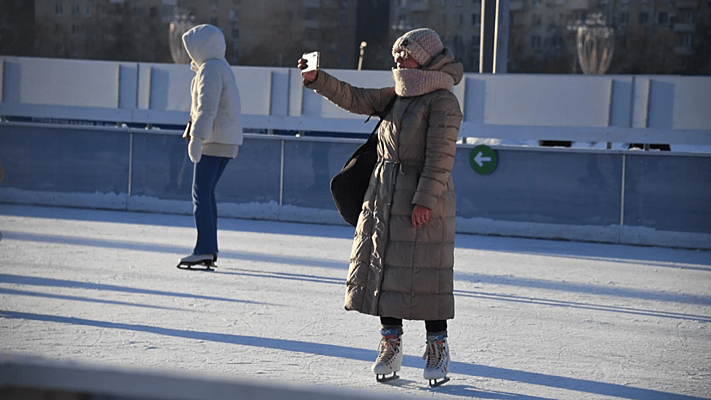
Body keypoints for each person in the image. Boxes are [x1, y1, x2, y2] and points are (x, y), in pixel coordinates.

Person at [298, 28, 463, 386]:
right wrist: (317, 79)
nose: (398, 59)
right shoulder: (399, 94)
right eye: (397, 54)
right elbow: (354, 97)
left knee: (426, 277)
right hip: (384, 195)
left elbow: (440, 158)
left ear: (426, 56)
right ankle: (390, 344)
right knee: (386, 270)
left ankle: (437, 348)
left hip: (422, 200)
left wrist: (424, 200)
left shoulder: (442, 101)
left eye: (405, 53)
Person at [178, 24, 243, 267]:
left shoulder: (210, 70)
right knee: (206, 194)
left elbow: (207, 109)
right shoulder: (221, 67)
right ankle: (208, 248)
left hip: (214, 140)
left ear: (201, 48)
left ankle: (204, 249)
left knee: (200, 195)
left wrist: (196, 138)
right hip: (225, 139)